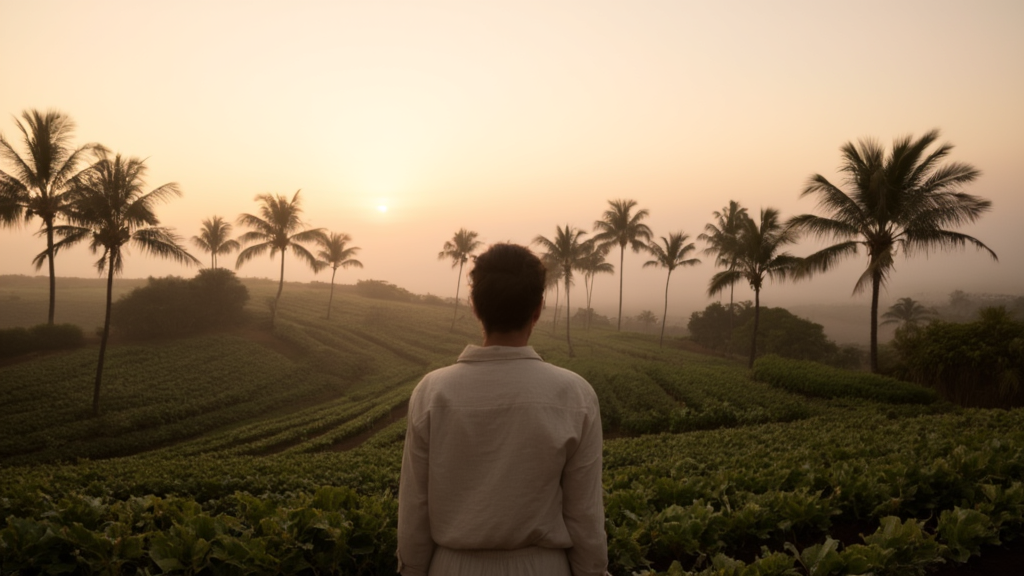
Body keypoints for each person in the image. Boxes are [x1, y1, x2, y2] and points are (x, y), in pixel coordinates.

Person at [397, 243, 607, 576]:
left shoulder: (432, 392)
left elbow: (414, 511)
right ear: (537, 310)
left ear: (475, 307)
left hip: (451, 566)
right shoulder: (575, 395)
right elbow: (585, 517)